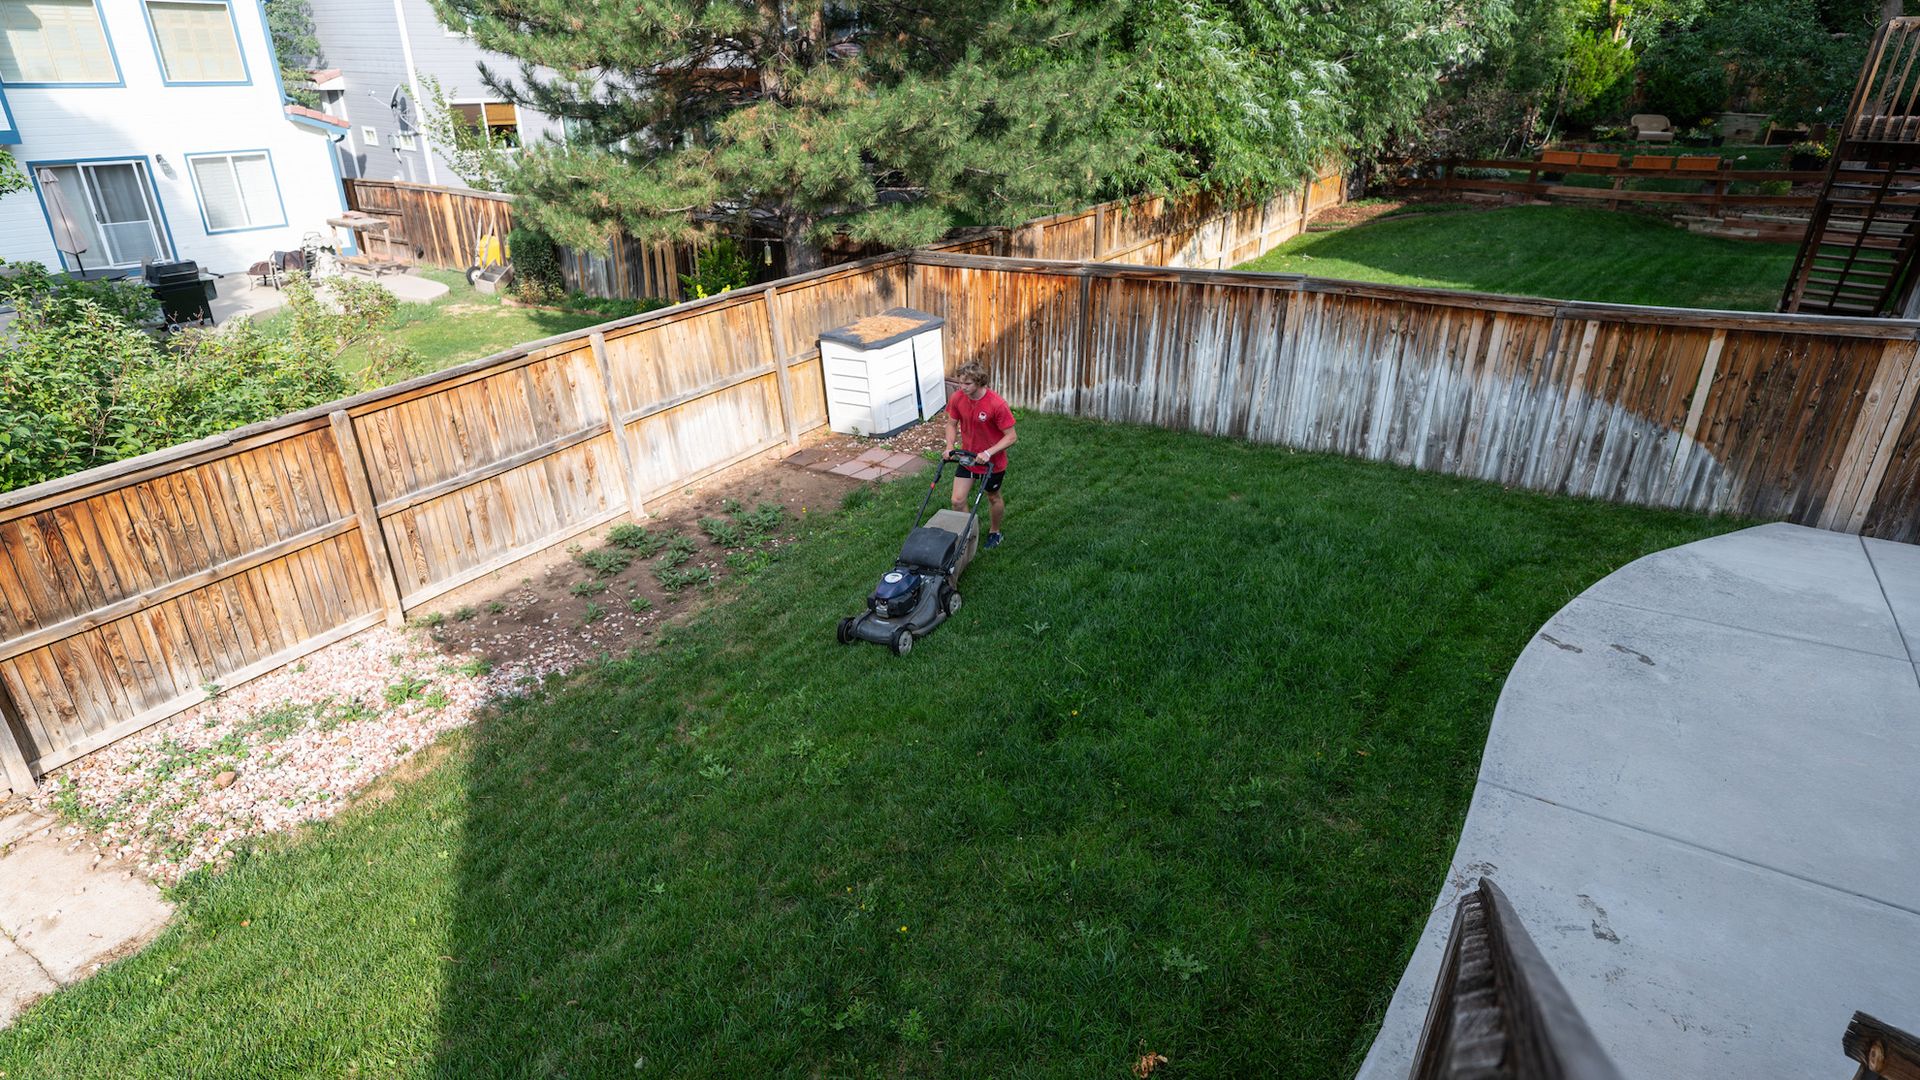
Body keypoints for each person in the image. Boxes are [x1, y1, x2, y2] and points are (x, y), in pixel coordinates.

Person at [942, 361, 1016, 549]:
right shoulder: (958, 398)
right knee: (957, 501)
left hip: (993, 462)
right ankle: (968, 535)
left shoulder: (996, 404)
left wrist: (988, 452)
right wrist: (950, 445)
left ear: (980, 382)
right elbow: (951, 423)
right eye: (960, 383)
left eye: (967, 384)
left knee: (993, 497)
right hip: (968, 458)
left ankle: (994, 532)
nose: (962, 387)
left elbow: (1011, 437)